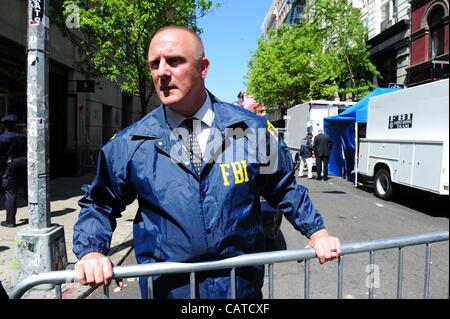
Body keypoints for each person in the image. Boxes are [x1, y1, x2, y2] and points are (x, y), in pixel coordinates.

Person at [73, 25, 341, 299]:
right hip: (168, 292)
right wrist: (92, 250)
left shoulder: (251, 130)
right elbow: (99, 202)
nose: (162, 72)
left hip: (240, 292)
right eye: (155, 64)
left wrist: (317, 231)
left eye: (174, 61)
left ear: (203, 68)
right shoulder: (132, 142)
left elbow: (284, 187)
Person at [0, 114, 27, 228]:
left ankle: (10, 221)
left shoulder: (3, 138)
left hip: (11, 165)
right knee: (27, 191)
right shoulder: (22, 136)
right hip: (24, 163)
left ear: (4, 125)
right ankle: (37, 215)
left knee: (11, 193)